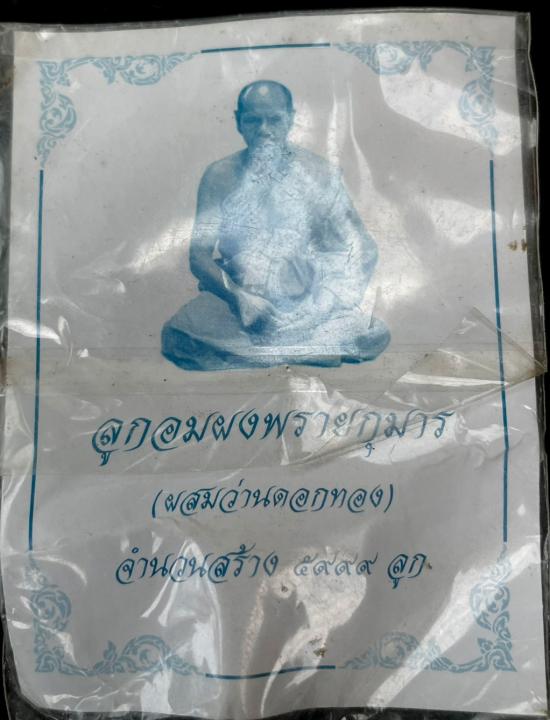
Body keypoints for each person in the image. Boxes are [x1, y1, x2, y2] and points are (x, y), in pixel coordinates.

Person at [162, 80, 390, 371]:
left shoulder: (320, 172)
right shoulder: (219, 175)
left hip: (308, 302)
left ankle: (272, 349)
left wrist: (320, 307)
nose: (264, 130)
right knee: (179, 334)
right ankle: (298, 350)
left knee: (372, 333)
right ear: (238, 122)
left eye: (274, 120)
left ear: (291, 119)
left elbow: (361, 248)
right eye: (253, 120)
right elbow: (199, 257)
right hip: (240, 306)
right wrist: (241, 299)